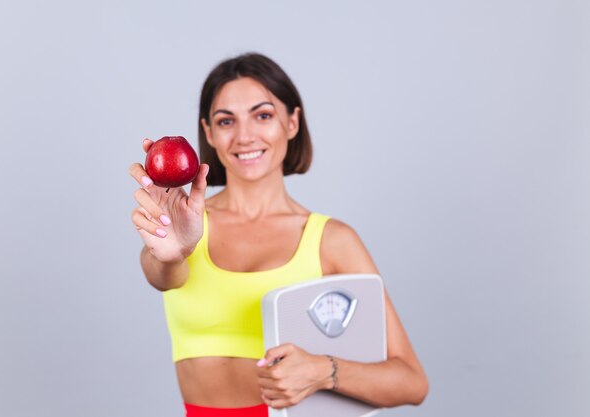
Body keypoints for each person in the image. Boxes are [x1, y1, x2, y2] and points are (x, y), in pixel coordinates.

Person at [129, 53, 428, 417]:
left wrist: (324, 371)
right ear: (208, 132)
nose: (245, 136)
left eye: (264, 115)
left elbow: (411, 381)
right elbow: (161, 274)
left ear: (292, 122)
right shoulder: (185, 225)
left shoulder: (331, 240)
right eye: (226, 121)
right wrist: (171, 252)